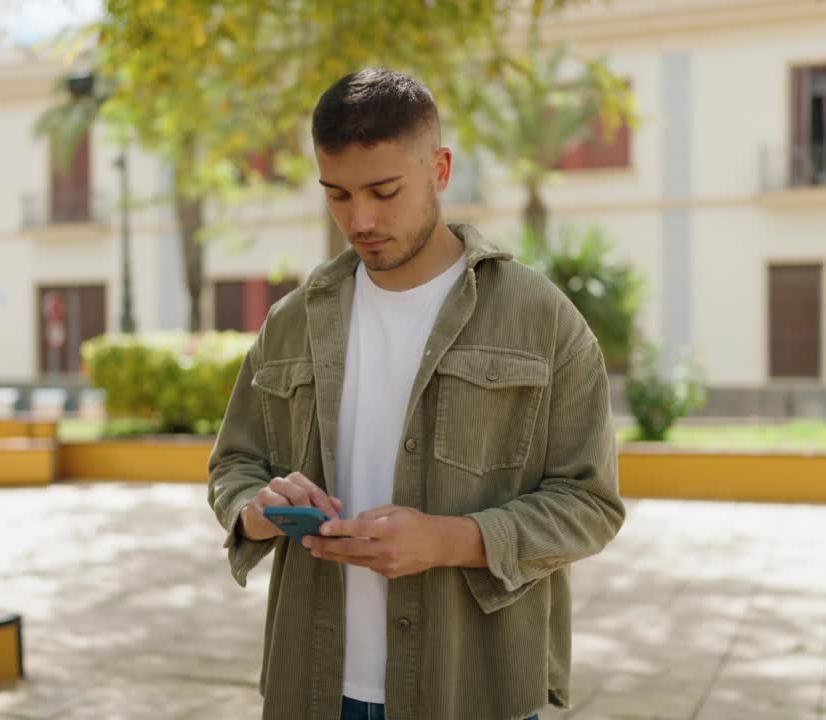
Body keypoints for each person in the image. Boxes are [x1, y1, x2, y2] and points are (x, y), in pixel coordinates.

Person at [207, 68, 624, 720]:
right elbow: (234, 465)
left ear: (440, 168)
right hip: (311, 688)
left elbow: (591, 503)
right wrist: (258, 511)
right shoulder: (294, 319)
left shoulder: (540, 318)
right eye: (337, 195)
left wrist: (452, 540)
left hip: (473, 691)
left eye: (383, 190)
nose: (361, 219)